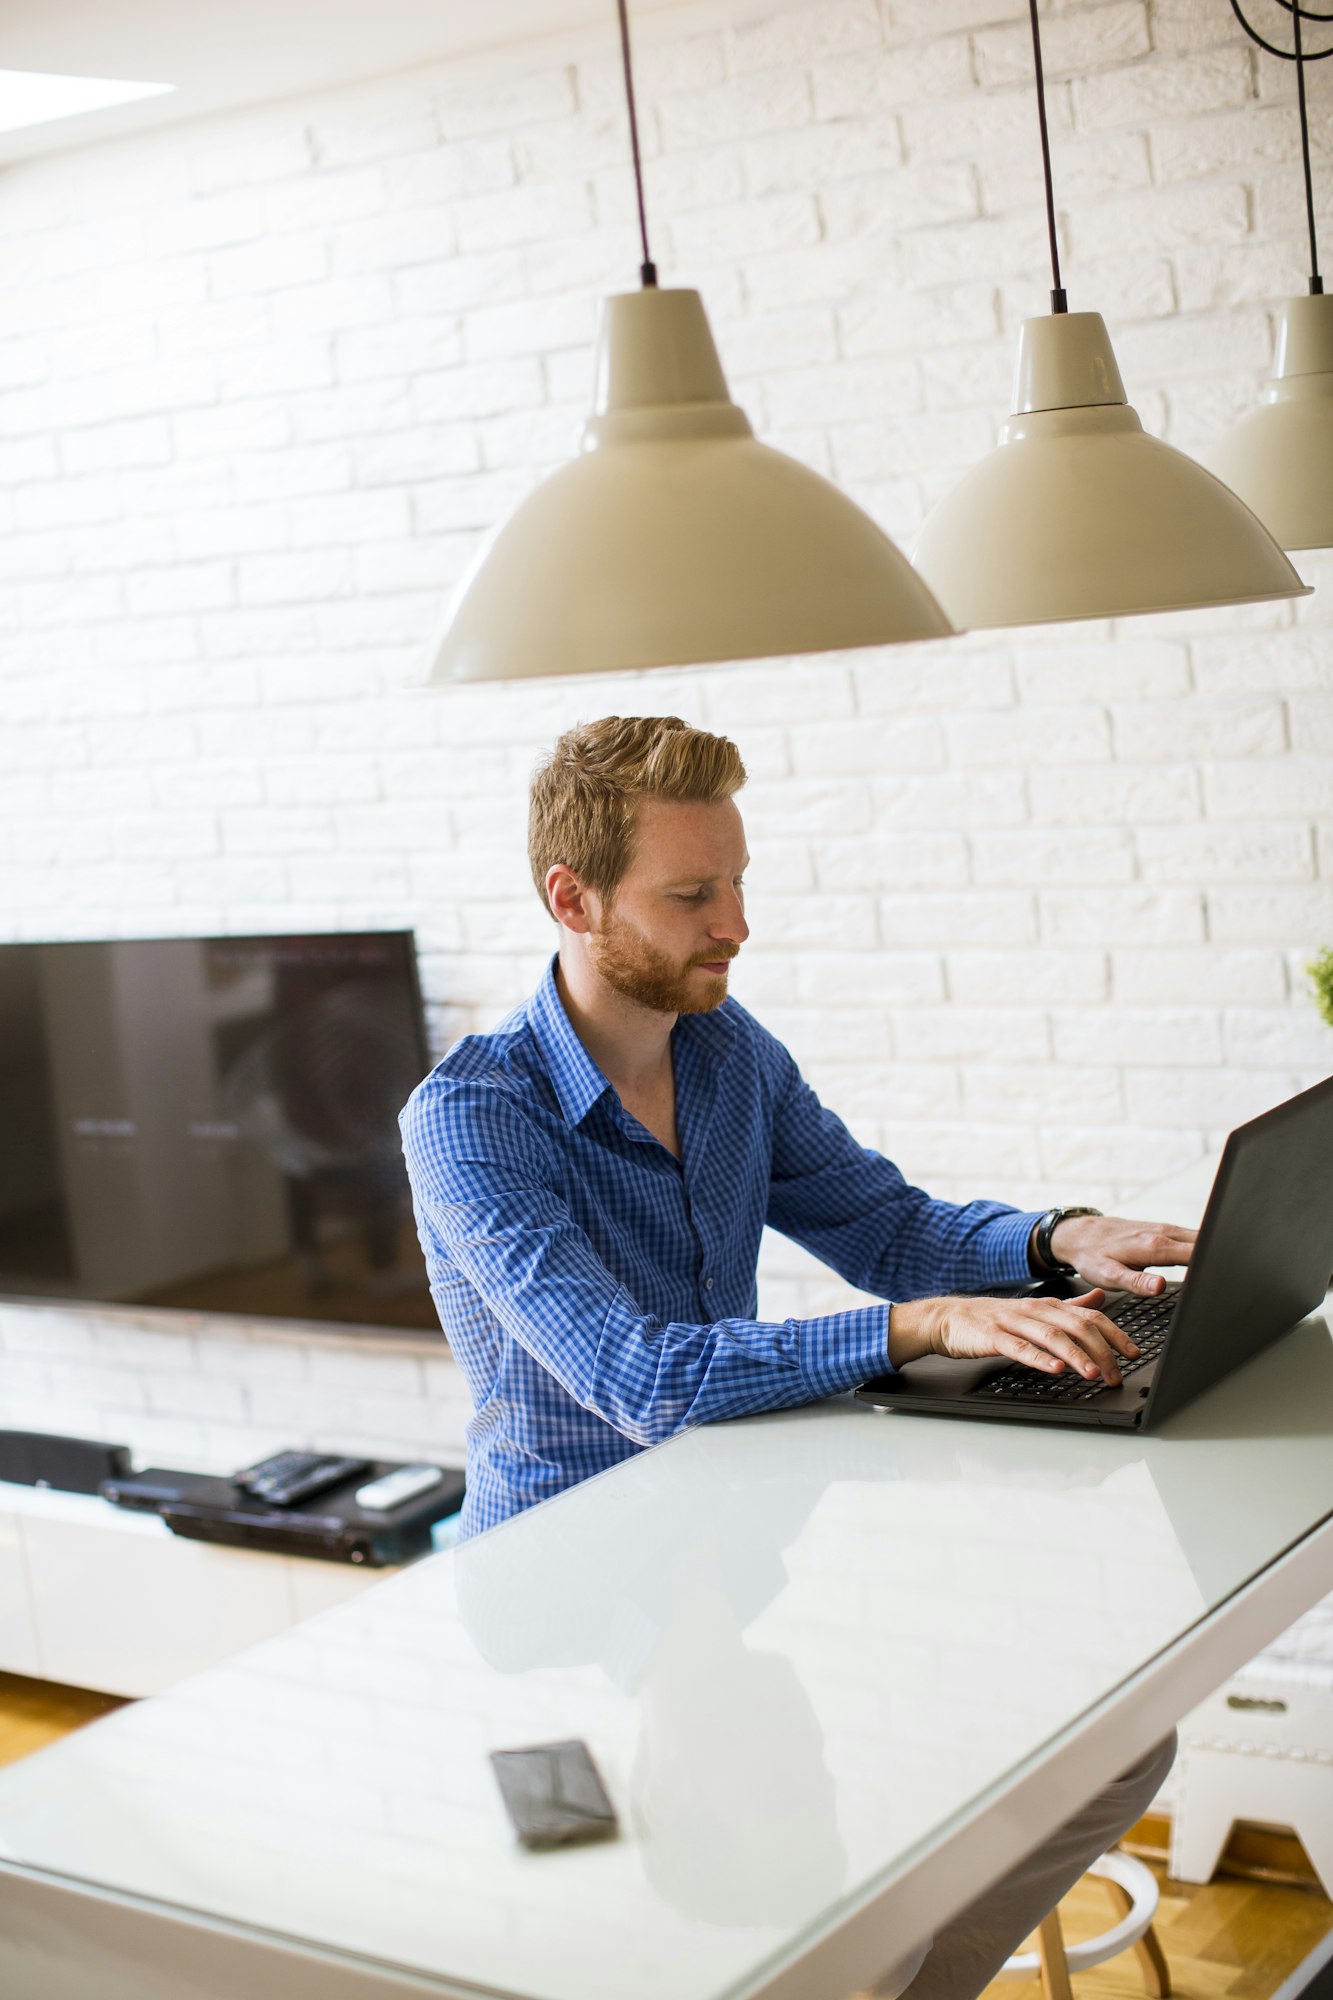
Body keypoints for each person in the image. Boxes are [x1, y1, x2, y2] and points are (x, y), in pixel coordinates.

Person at [399, 712, 1184, 1997]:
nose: (735, 925)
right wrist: (920, 1325)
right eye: (693, 894)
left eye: (739, 883)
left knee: (1120, 1751)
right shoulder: (473, 1120)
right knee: (839, 1918)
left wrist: (1055, 1237)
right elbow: (638, 1374)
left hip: (737, 1541)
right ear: (571, 896)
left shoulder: (727, 1054)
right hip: (567, 1573)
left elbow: (886, 1223)